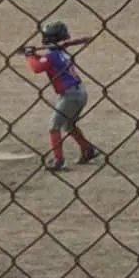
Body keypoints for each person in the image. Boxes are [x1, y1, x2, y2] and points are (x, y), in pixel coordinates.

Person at [21, 21, 99, 171]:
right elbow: (47, 59)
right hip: (79, 92)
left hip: (70, 95)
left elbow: (37, 68)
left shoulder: (52, 56)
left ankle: (59, 161)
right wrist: (34, 54)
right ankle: (88, 150)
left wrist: (29, 56)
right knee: (68, 125)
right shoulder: (61, 51)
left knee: (54, 127)